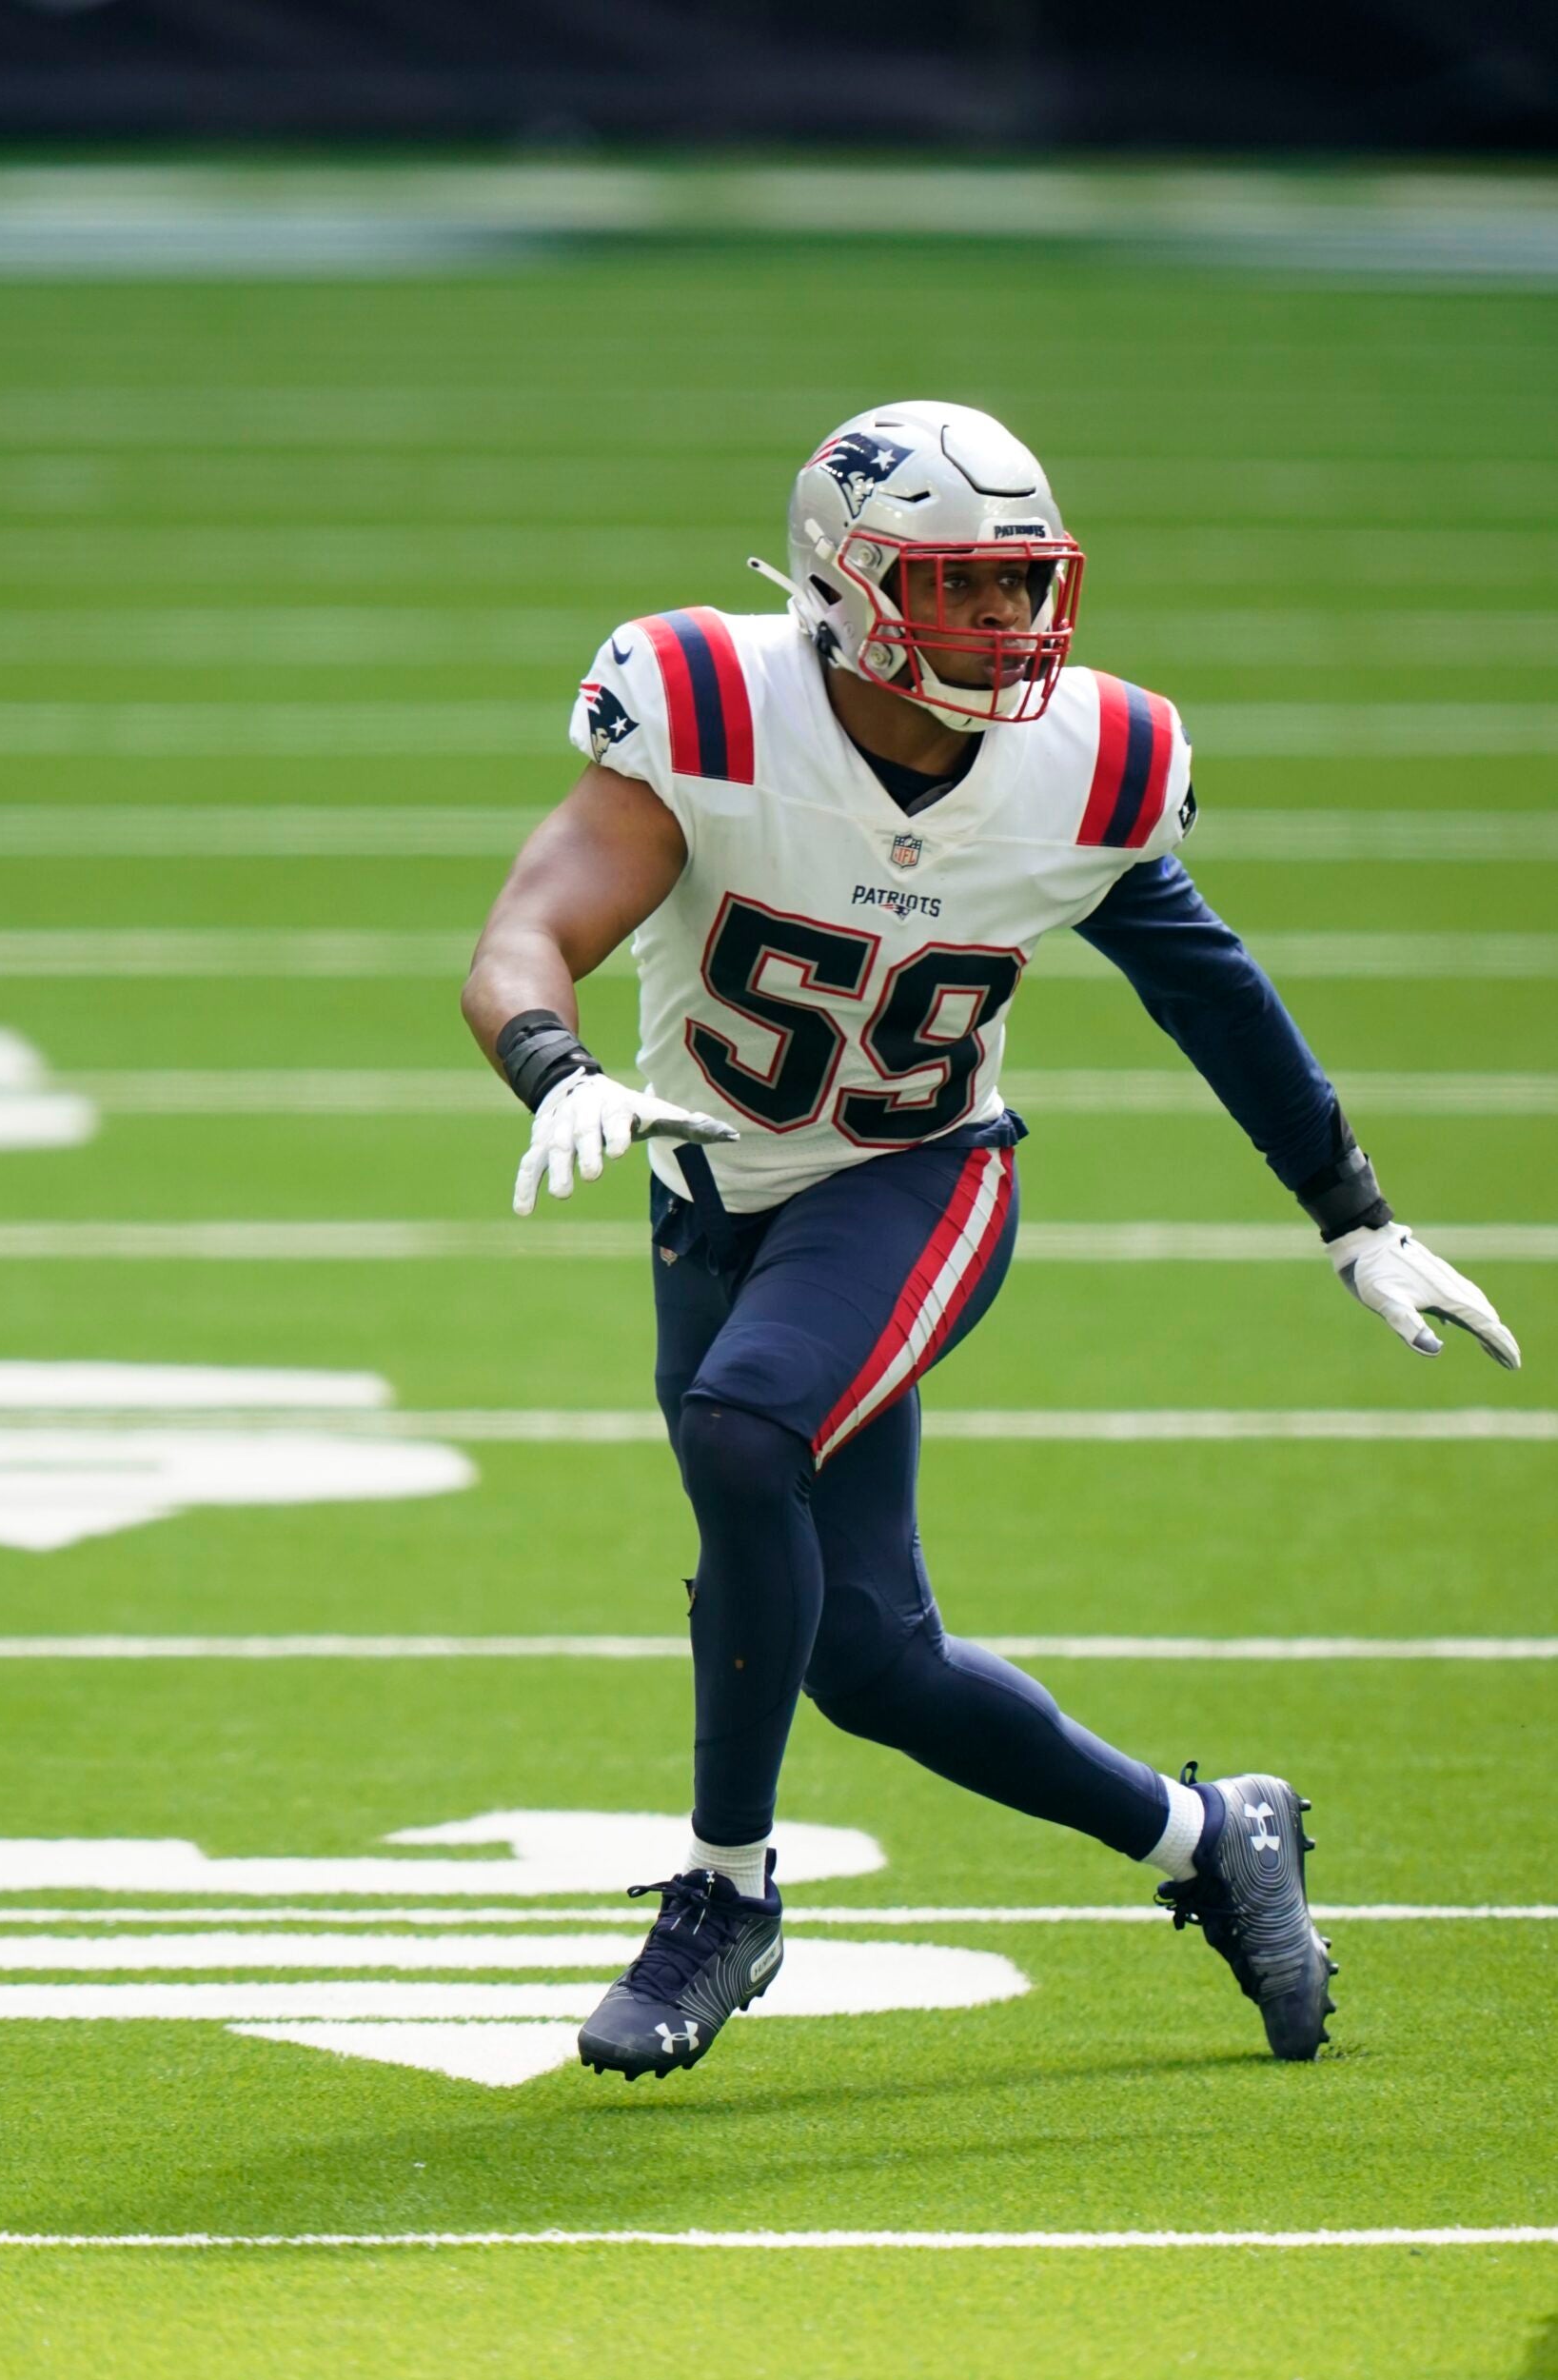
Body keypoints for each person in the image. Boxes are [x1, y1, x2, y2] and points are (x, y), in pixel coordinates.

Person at [462, 400, 1519, 2081]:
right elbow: (529, 930)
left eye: (1022, 585)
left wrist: (1354, 1215)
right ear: (842, 586)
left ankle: (724, 1897)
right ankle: (1205, 1836)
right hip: (709, 1191)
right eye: (958, 589)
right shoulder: (710, 702)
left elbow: (1209, 989)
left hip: (916, 1178)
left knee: (747, 1436)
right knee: (872, 1660)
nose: (1008, 626)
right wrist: (552, 1064)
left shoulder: (1086, 762)